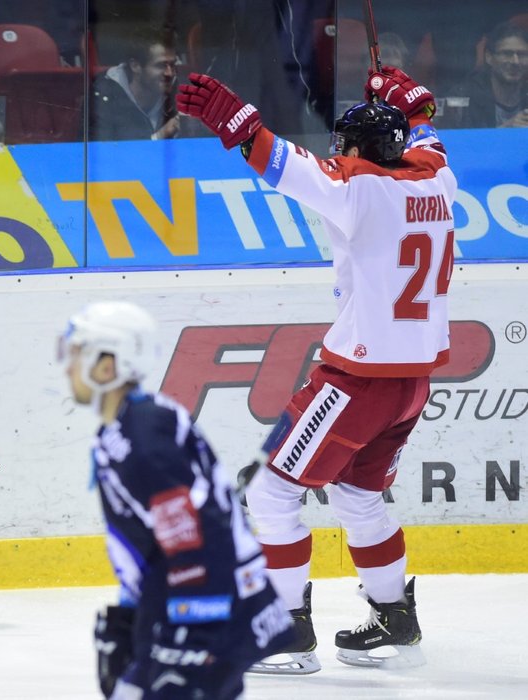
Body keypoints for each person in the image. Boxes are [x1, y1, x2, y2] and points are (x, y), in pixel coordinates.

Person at [177, 65, 455, 671]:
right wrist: (415, 110)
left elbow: (282, 163)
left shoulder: (357, 188)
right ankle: (394, 616)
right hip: (412, 382)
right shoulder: (440, 179)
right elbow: (428, 142)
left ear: (355, 152)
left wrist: (237, 121)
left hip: (357, 379)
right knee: (359, 494)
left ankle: (287, 633)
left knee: (273, 491)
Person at [59, 301, 294, 699]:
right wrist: (136, 614)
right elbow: (156, 541)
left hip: (209, 616)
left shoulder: (142, 437)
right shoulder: (134, 423)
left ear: (107, 365)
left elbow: (195, 534)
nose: (68, 367)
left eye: (77, 354)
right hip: (193, 606)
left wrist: (189, 637)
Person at [89, 27, 181, 141]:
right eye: (161, 66)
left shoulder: (180, 91)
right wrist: (159, 136)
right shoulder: (103, 96)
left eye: (172, 65)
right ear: (135, 66)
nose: (170, 73)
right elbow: (102, 155)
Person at [458, 21, 528, 128]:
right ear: (489, 57)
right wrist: (507, 131)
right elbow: (459, 142)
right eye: (507, 53)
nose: (515, 61)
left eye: (522, 54)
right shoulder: (466, 97)